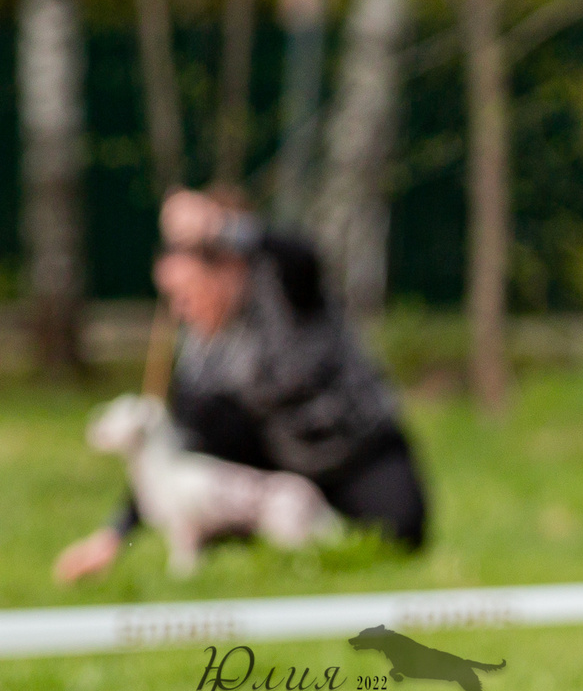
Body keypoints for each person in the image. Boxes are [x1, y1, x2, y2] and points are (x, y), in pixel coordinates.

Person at [54, 190, 429, 583]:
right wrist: (114, 536)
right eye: (171, 298)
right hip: (284, 466)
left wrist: (217, 227)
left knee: (398, 538)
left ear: (228, 271)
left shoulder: (286, 290)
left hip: (359, 450)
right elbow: (174, 446)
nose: (179, 309)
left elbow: (302, 254)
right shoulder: (199, 352)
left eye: (186, 293)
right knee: (206, 434)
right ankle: (251, 543)